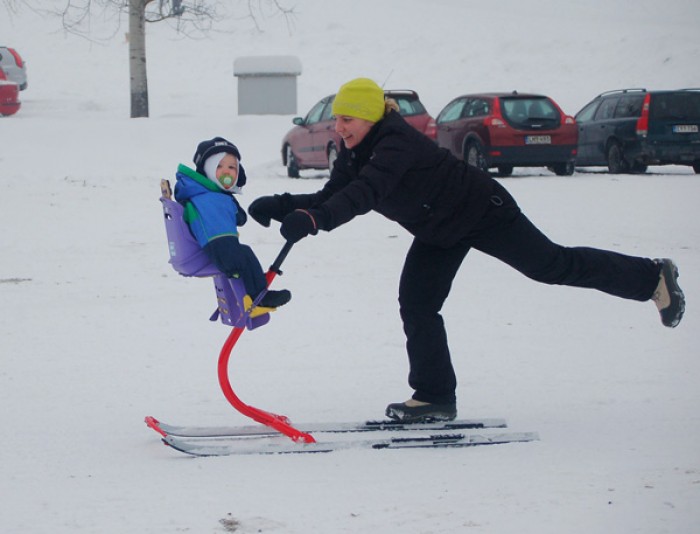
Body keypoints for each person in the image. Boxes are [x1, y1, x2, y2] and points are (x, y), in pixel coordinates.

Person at [247, 78, 685, 422]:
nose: (339, 127)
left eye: (348, 119)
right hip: (438, 229)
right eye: (337, 118)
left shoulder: (396, 142)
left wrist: (316, 219)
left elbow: (366, 192)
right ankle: (434, 396)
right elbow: (336, 192)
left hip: (482, 212)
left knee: (551, 265)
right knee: (417, 303)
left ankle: (651, 277)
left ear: (369, 117)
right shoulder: (353, 151)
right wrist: (285, 205)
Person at [174, 136, 291, 309]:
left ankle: (254, 285)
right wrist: (230, 263)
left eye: (232, 167)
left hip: (211, 249)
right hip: (219, 248)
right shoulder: (211, 199)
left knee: (245, 253)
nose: (226, 172)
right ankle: (259, 296)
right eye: (218, 166)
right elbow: (229, 227)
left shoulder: (202, 194)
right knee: (243, 257)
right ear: (206, 170)